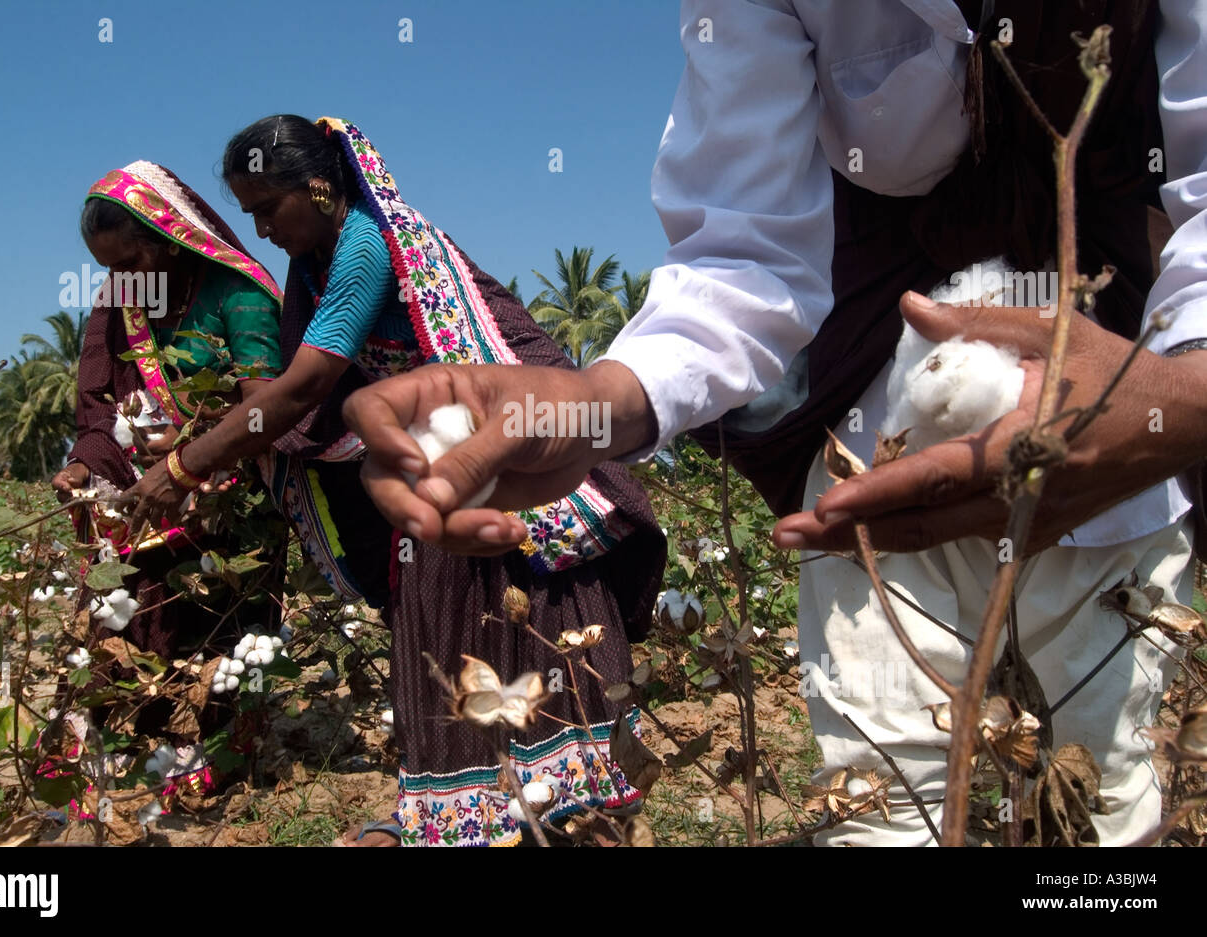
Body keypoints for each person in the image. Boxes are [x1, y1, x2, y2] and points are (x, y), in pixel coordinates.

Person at [338, 0, 1207, 845]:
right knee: (882, 800)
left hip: (1116, 424)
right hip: (875, 444)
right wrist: (604, 400)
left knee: (1098, 789)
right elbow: (745, 252)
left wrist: (1168, 408)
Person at [127, 116, 666, 846]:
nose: (259, 231)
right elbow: (296, 393)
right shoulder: (318, 262)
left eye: (266, 209)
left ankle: (565, 802)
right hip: (437, 457)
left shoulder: (364, 250)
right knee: (451, 630)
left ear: (317, 186)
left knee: (525, 621)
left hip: (494, 451)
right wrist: (207, 436)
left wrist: (186, 466)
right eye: (248, 214)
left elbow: (303, 387)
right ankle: (462, 808)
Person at [51, 161, 287, 727]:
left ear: (172, 239)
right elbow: (99, 408)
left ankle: (223, 739)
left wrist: (190, 455)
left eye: (131, 261)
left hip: (231, 487)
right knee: (125, 595)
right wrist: (85, 464)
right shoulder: (119, 303)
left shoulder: (238, 294)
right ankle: (140, 722)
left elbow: (267, 409)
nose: (122, 278)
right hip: (143, 491)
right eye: (109, 268)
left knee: (228, 619)